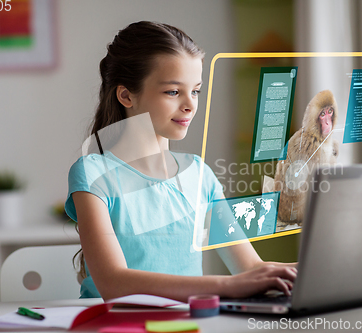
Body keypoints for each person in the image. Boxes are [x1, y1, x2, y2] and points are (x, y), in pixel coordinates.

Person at [65, 21, 297, 302]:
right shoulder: (93, 174)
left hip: (187, 324)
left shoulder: (199, 174)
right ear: (126, 95)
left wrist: (309, 271)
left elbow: (250, 268)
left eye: (195, 90)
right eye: (173, 92)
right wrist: (227, 286)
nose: (190, 104)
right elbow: (113, 283)